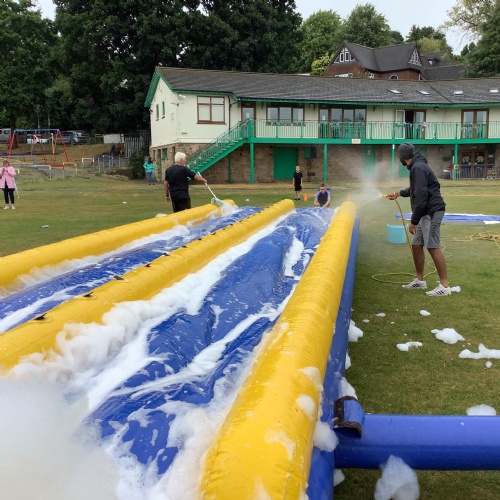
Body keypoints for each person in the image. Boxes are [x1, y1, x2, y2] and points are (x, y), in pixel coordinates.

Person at [386, 142, 450, 296]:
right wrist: (399, 193)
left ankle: (444, 286)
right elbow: (416, 189)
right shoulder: (417, 166)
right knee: (416, 245)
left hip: (432, 211)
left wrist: (413, 222)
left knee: (432, 246)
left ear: (402, 157)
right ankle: (420, 281)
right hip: (425, 211)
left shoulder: (418, 167)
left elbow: (421, 197)